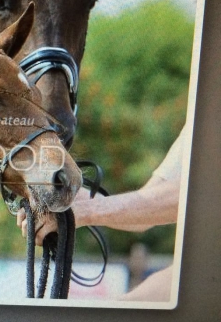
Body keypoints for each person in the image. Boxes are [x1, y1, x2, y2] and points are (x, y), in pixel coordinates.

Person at [17, 125, 188, 301]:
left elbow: (194, 198)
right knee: (112, 318)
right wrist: (73, 198)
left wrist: (83, 212)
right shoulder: (195, 124)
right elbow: (148, 208)